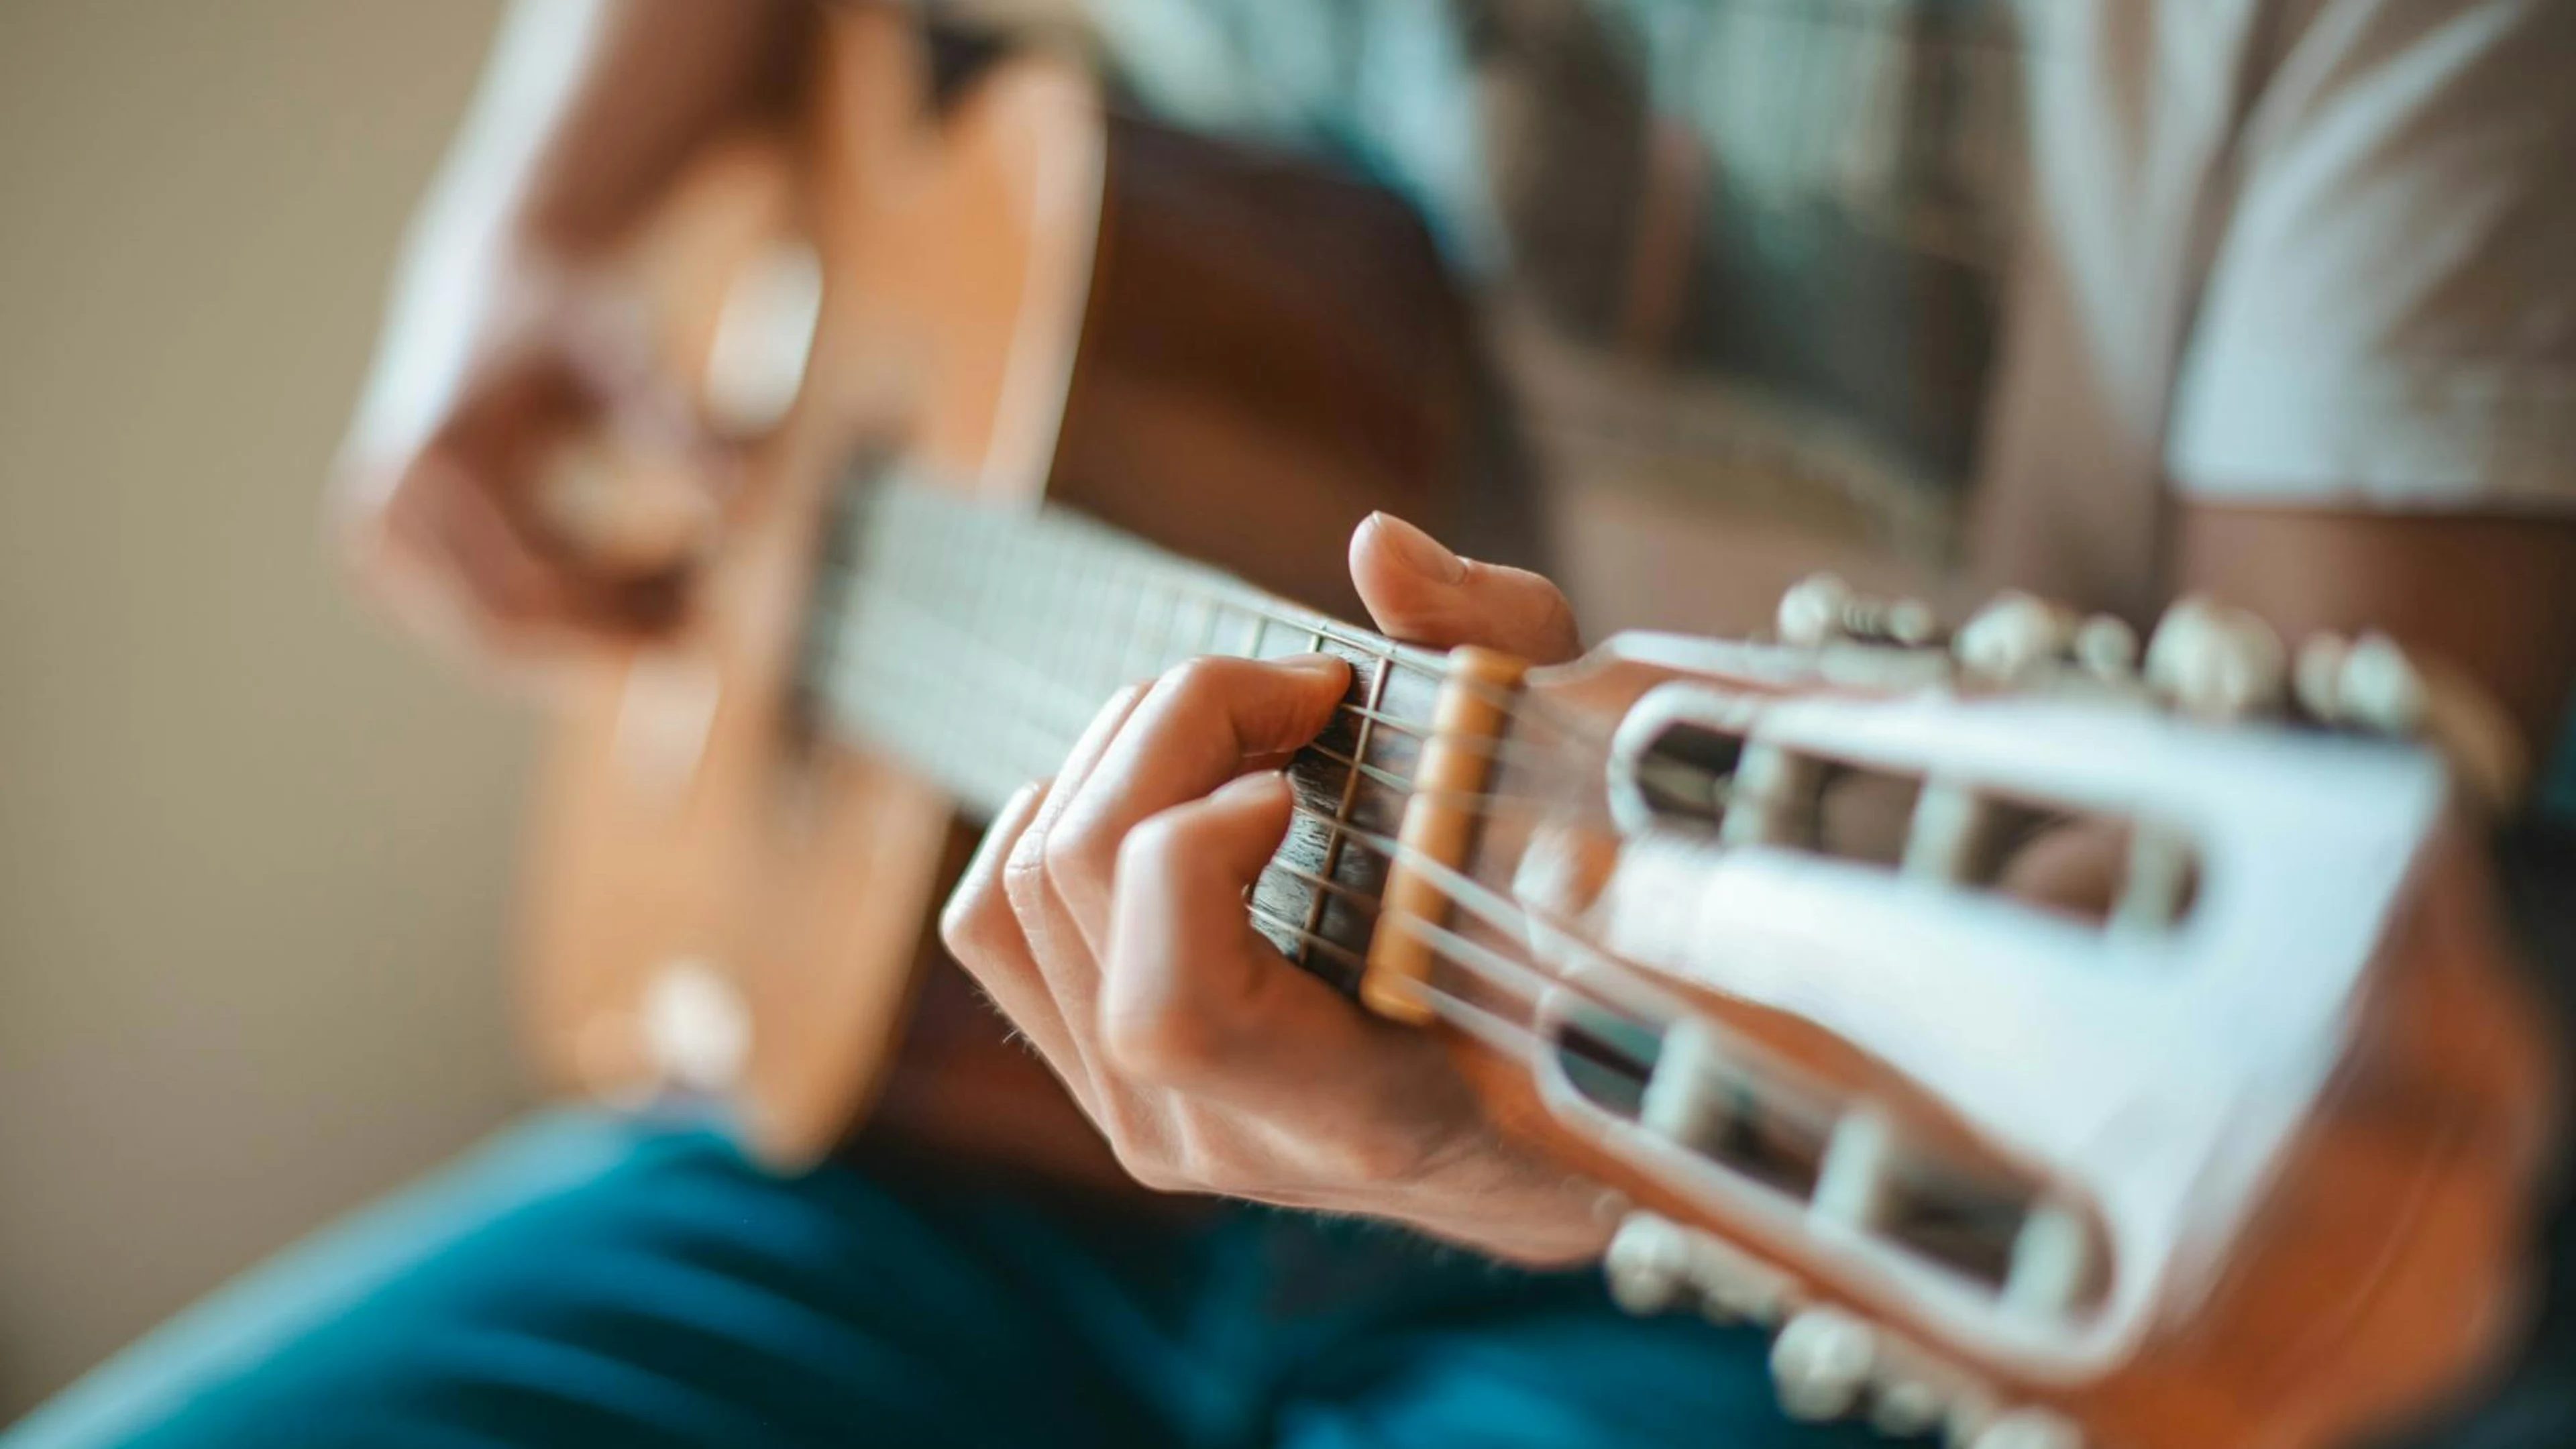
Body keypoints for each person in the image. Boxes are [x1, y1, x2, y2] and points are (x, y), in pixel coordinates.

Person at [15, 1, 2576, 1445]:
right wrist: (530, 210)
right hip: (947, 1115)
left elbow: (2311, 1021)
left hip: (1738, 1232)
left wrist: (1509, 1163)